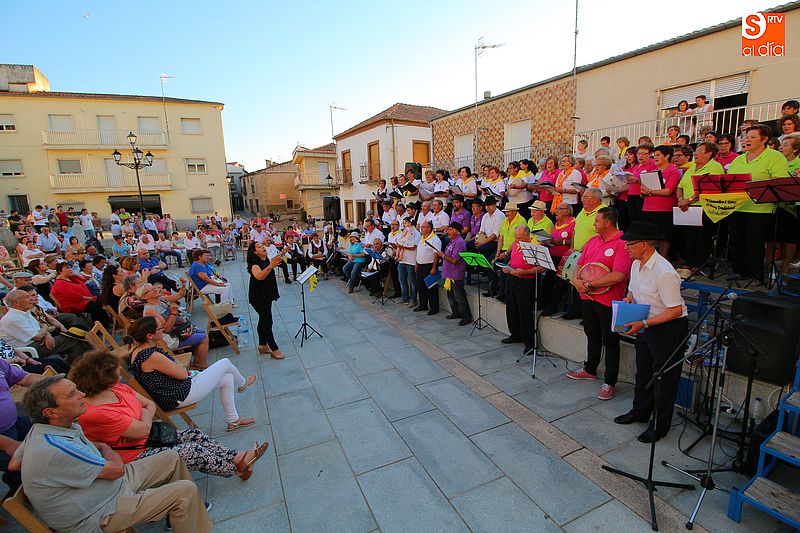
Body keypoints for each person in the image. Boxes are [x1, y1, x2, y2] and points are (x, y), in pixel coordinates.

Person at [11, 375, 212, 532]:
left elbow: (14, 464)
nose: (82, 394)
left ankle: (185, 516)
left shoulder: (39, 430)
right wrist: (106, 448)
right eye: (72, 394)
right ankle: (187, 511)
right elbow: (116, 470)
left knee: (171, 458)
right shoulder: (56, 448)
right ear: (50, 413)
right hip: (97, 512)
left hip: (105, 488)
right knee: (184, 491)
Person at [70, 350, 269, 480]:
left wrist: (142, 416)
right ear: (103, 378)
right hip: (134, 455)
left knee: (194, 435)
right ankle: (236, 468)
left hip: (147, 438)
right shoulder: (95, 412)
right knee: (190, 451)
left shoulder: (117, 389)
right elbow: (143, 425)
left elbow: (149, 405)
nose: (120, 373)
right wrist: (143, 415)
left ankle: (239, 458)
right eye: (116, 371)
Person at [614, 222, 689, 443]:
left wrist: (645, 324)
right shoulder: (636, 263)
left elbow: (675, 310)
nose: (626, 247)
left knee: (663, 377)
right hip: (646, 321)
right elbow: (633, 288)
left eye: (630, 244)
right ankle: (640, 411)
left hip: (668, 328)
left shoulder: (665, 272)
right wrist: (629, 298)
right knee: (643, 370)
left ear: (644, 245)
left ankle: (660, 425)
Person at [126, 317, 258, 432]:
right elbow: (183, 374)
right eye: (160, 328)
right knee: (225, 362)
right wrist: (178, 365)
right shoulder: (151, 356)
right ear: (149, 335)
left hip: (170, 393)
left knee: (227, 378)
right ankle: (242, 383)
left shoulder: (137, 352)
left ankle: (233, 420)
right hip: (179, 394)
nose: (164, 329)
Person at [566, 207, 632, 400]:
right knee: (592, 334)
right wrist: (577, 281)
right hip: (588, 297)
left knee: (610, 341)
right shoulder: (593, 241)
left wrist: (590, 284)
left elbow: (618, 275)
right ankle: (590, 369)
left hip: (608, 301)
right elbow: (580, 263)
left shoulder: (622, 243)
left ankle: (610, 382)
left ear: (607, 223)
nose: (593, 224)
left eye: (596, 221)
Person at [728, 125, 790, 283]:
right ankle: (740, 271)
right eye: (746, 137)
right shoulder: (739, 158)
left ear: (764, 139)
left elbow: (779, 182)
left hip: (761, 208)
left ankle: (756, 275)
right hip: (738, 206)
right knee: (737, 240)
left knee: (754, 243)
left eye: (752, 137)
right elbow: (730, 180)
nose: (747, 140)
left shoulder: (775, 157)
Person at [677, 142, 725, 270]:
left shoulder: (715, 167)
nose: (695, 153)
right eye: (695, 151)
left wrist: (689, 200)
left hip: (705, 207)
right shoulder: (692, 168)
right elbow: (680, 187)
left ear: (709, 154)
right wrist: (681, 199)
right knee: (689, 236)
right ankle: (689, 261)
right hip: (688, 207)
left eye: (699, 151)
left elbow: (709, 188)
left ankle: (699, 264)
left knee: (702, 237)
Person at [139, 283, 208, 368]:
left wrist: (182, 286)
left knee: (202, 333)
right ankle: (203, 366)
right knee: (204, 338)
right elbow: (166, 329)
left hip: (178, 331)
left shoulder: (161, 300)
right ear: (144, 297)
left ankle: (197, 364)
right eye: (151, 289)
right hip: (170, 338)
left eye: (154, 287)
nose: (155, 289)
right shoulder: (150, 311)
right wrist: (173, 312)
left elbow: (180, 295)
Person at [0, 360, 43, 495]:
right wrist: (9, 445)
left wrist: (58, 384)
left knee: (53, 428)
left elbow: (25, 378)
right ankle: (23, 491)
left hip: (13, 423)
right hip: (3, 440)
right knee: (34, 463)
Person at [500, 226, 544, 355]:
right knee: (511, 307)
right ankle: (515, 335)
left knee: (524, 311)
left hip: (526, 281)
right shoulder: (516, 244)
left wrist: (526, 272)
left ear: (528, 235)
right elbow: (513, 261)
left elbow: (542, 268)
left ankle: (529, 343)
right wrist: (507, 268)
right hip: (513, 278)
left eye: (520, 237)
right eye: (516, 237)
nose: (517, 240)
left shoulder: (535, 246)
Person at [640, 145, 681, 258]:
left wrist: (650, 191)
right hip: (647, 207)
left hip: (664, 209)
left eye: (658, 155)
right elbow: (643, 191)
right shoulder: (652, 172)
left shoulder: (673, 171)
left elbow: (668, 191)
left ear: (667, 156)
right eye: (655, 155)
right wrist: (644, 192)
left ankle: (663, 258)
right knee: (648, 235)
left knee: (664, 236)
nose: (655, 158)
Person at [247, 242, 285, 358]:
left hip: (267, 294)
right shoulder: (254, 265)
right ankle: (274, 348)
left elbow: (276, 259)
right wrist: (271, 266)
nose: (263, 247)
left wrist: (284, 252)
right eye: (259, 247)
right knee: (267, 320)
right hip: (258, 296)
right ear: (254, 252)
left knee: (263, 319)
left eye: (262, 245)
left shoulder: (266, 260)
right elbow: (259, 276)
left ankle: (262, 345)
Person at [542, 203, 576, 316]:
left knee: (559, 283)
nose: (555, 211)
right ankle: (545, 304)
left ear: (567, 211)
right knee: (548, 281)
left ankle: (553, 307)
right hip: (553, 256)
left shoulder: (573, 223)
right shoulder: (557, 223)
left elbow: (574, 240)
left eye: (559, 209)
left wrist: (561, 242)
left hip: (565, 259)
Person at [50, 262, 110, 327]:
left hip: (84, 299)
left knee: (104, 299)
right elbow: (73, 296)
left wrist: (76, 274)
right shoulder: (59, 284)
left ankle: (106, 321)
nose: (70, 269)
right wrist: (88, 298)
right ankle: (101, 326)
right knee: (96, 307)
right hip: (74, 304)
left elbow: (85, 278)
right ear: (60, 271)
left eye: (70, 268)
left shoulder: (71, 278)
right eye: (67, 268)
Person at [437, 222, 471, 325]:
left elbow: (455, 260)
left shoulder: (459, 242)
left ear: (456, 231)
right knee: (450, 295)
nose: (448, 231)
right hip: (448, 273)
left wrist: (442, 256)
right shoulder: (452, 241)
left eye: (450, 229)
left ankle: (466, 316)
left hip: (456, 274)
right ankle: (455, 312)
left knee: (459, 297)